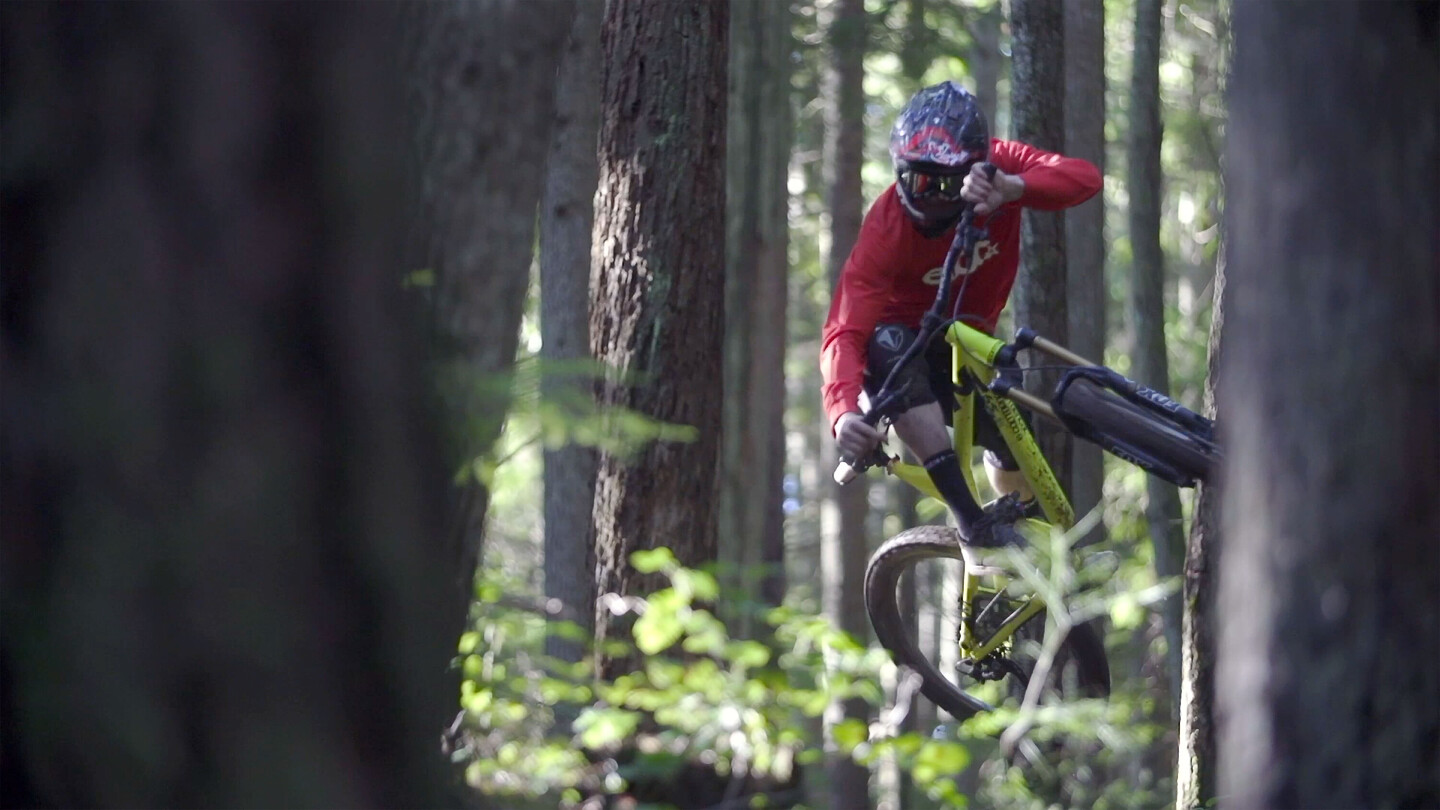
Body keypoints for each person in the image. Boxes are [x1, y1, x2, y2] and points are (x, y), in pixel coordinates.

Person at [821, 80, 1101, 555]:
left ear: (975, 168)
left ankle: (1030, 544)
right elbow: (845, 329)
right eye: (918, 181)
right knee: (890, 347)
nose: (931, 197)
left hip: (967, 343)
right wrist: (842, 412)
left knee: (1011, 436)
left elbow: (1085, 179)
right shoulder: (886, 228)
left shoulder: (1000, 167)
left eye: (947, 184)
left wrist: (1013, 189)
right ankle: (972, 524)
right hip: (899, 355)